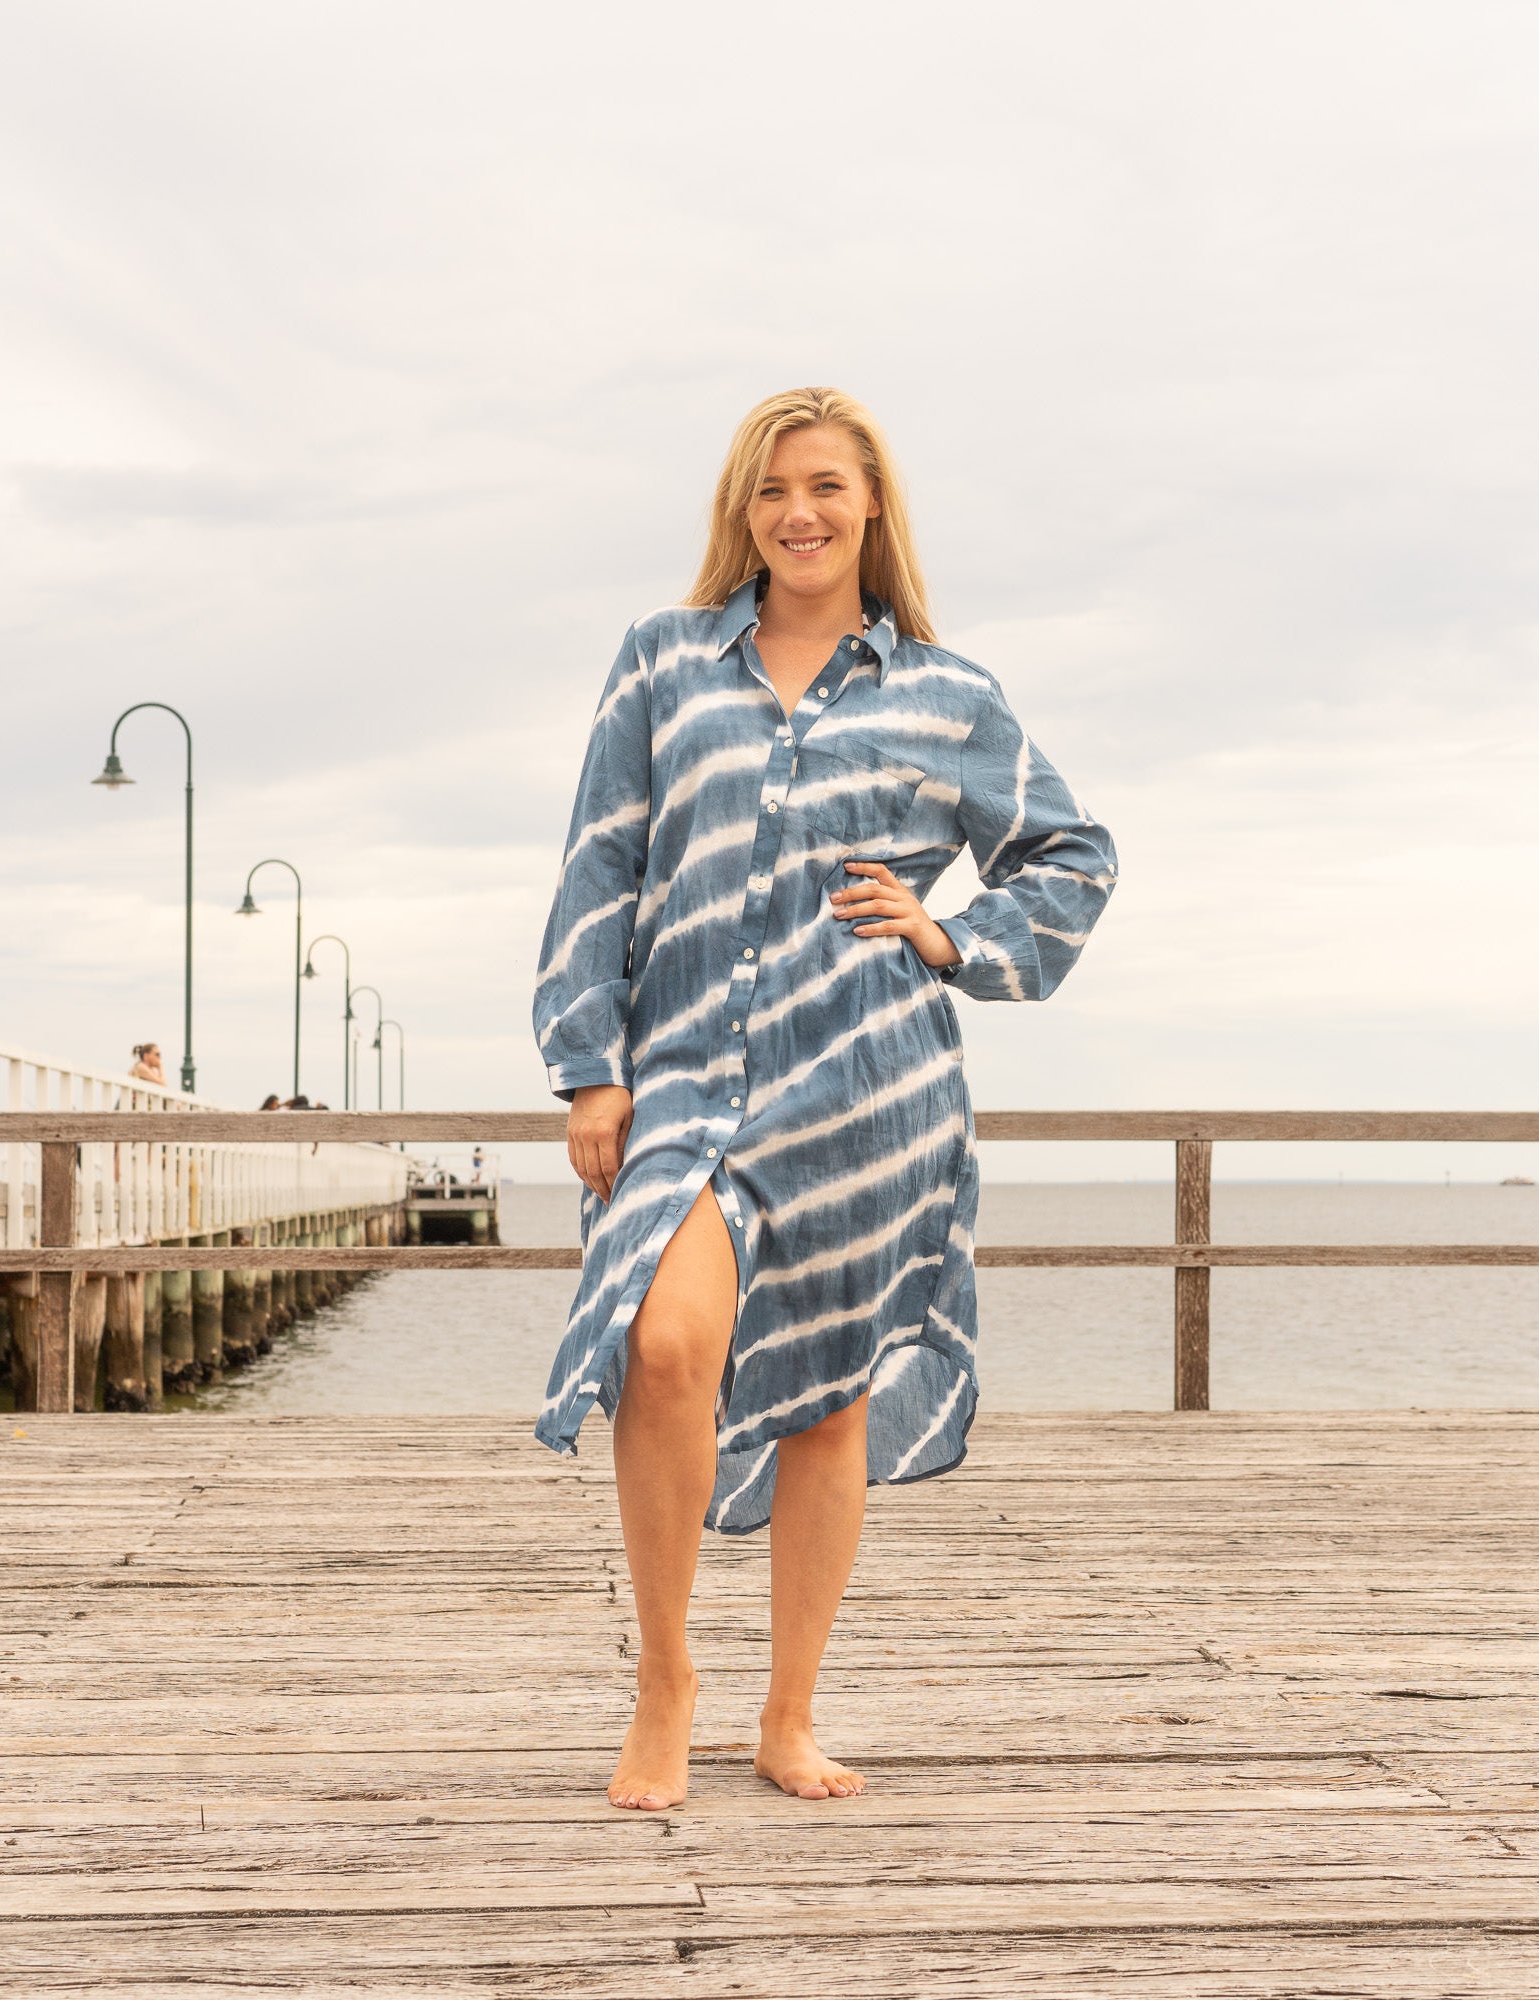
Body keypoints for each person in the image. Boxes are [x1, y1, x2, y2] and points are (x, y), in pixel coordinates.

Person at [533, 387, 1117, 1813]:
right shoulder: (662, 666)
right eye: (772, 489)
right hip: (685, 1078)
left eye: (827, 487)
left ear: (872, 509)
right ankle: (665, 1681)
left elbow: (1073, 855)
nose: (800, 512)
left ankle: (787, 1714)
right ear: (745, 512)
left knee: (828, 1409)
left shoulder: (950, 694)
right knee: (665, 1348)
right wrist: (588, 1067)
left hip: (869, 1087)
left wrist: (947, 936)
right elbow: (601, 864)